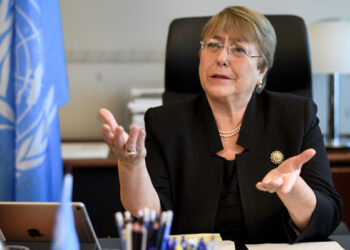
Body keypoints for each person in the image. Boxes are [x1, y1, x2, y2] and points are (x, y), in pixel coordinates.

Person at [100, 6, 342, 246]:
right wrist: (131, 165)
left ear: (262, 69)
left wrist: (293, 189)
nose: (221, 58)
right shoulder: (164, 123)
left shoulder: (296, 116)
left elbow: (327, 218)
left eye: (238, 49)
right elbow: (149, 217)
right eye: (213, 45)